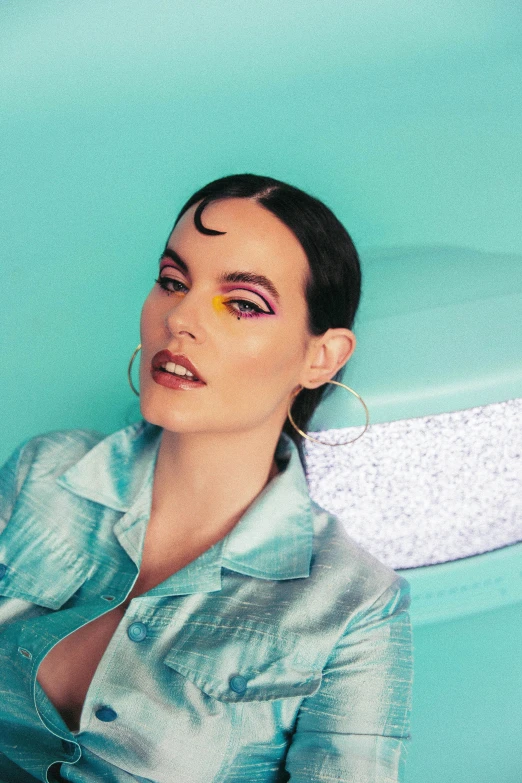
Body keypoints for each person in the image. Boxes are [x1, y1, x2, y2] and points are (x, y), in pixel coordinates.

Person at [0, 174, 413, 783]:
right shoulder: (44, 472)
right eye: (173, 282)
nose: (182, 318)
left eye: (243, 303)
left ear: (320, 357)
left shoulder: (356, 606)